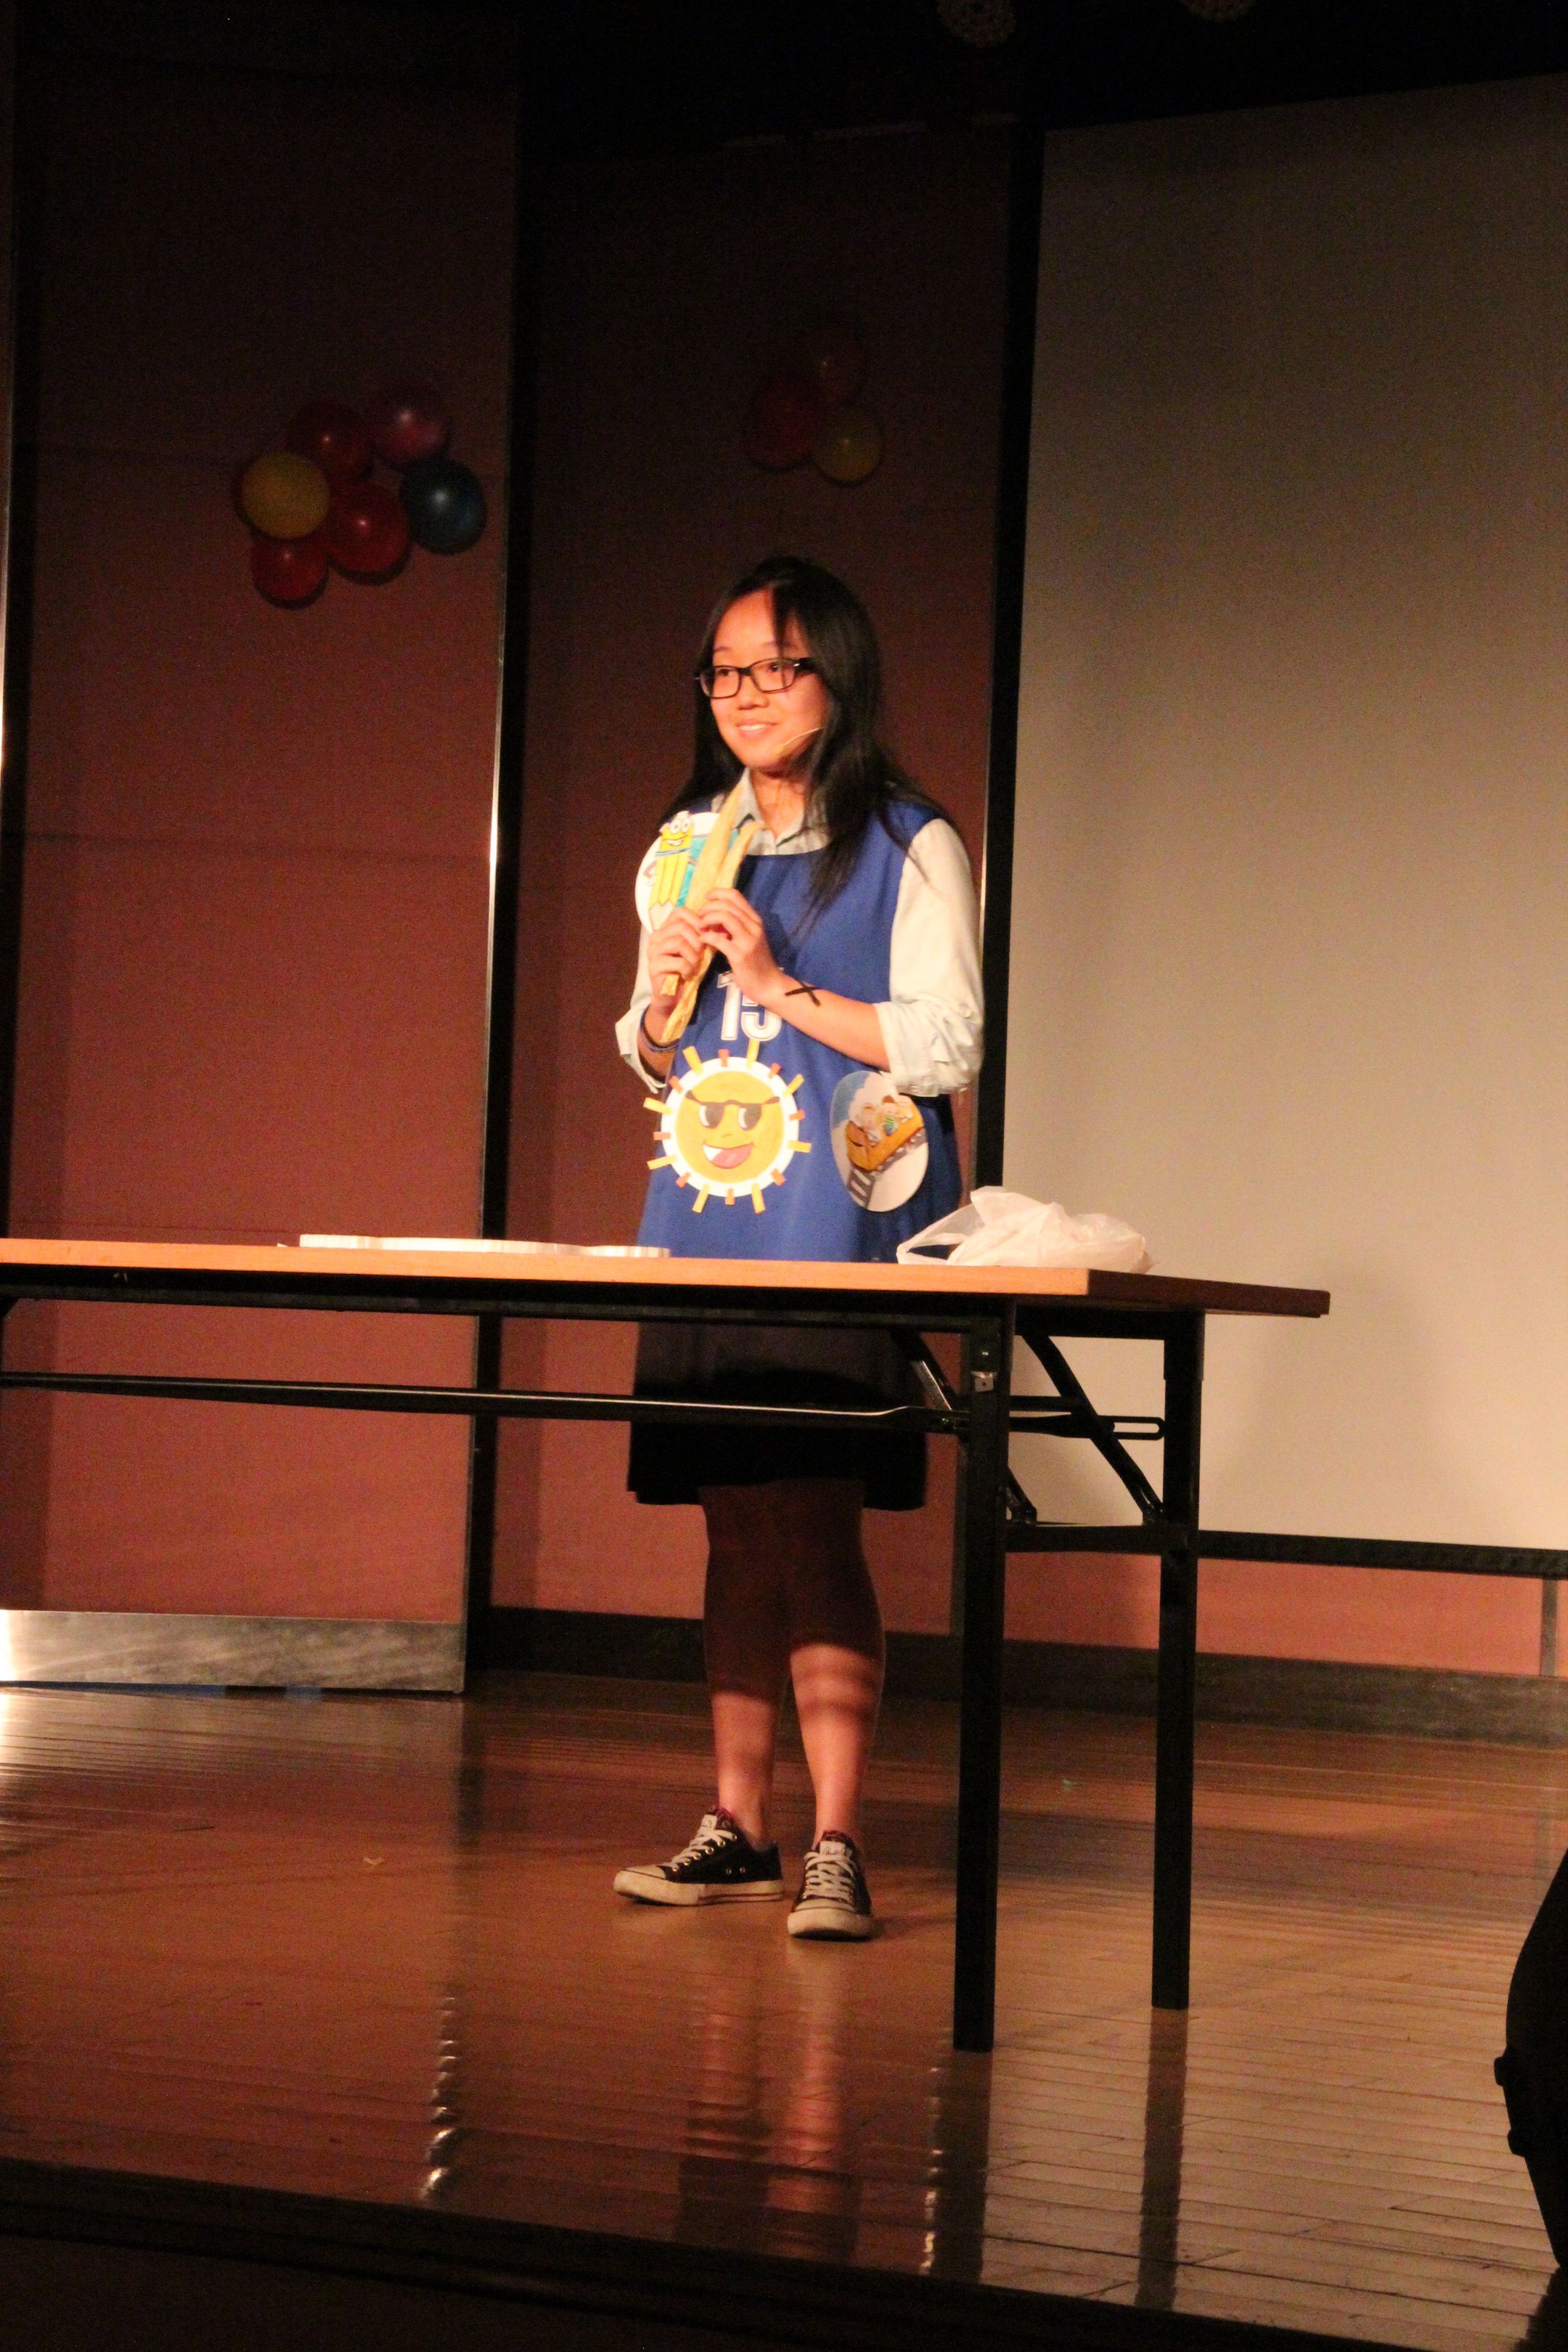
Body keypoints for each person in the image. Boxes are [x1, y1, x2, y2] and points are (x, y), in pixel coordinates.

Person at [611, 555, 982, 1940]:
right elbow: (651, 1055)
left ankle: (836, 1840)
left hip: (837, 1219)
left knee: (818, 1518)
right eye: (725, 672)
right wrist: (661, 1006)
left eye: (774, 668)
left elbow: (947, 1043)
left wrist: (775, 981)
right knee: (731, 1520)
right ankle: (736, 1826)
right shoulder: (685, 845)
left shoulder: (907, 840)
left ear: (837, 675)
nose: (745, 695)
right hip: (710, 1211)